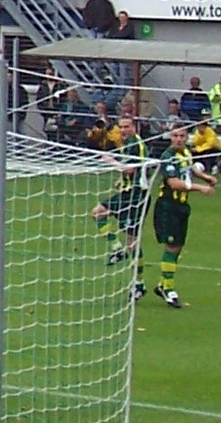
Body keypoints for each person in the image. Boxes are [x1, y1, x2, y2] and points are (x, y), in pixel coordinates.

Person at [146, 122, 214, 308]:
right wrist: (201, 188)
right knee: (172, 246)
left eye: (182, 136)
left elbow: (189, 168)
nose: (178, 139)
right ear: (170, 136)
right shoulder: (167, 157)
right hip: (168, 207)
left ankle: (163, 285)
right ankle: (168, 289)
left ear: (187, 137)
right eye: (175, 136)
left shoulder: (185, 153)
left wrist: (205, 177)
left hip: (182, 206)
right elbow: (174, 183)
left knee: (178, 246)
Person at [90, 110, 150, 267]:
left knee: (132, 240)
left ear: (134, 127)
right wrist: (121, 180)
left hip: (136, 195)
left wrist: (111, 161)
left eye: (127, 127)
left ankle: (139, 281)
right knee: (97, 213)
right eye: (121, 127)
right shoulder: (128, 143)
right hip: (127, 192)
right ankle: (116, 248)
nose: (123, 130)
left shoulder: (135, 144)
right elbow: (133, 171)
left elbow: (130, 169)